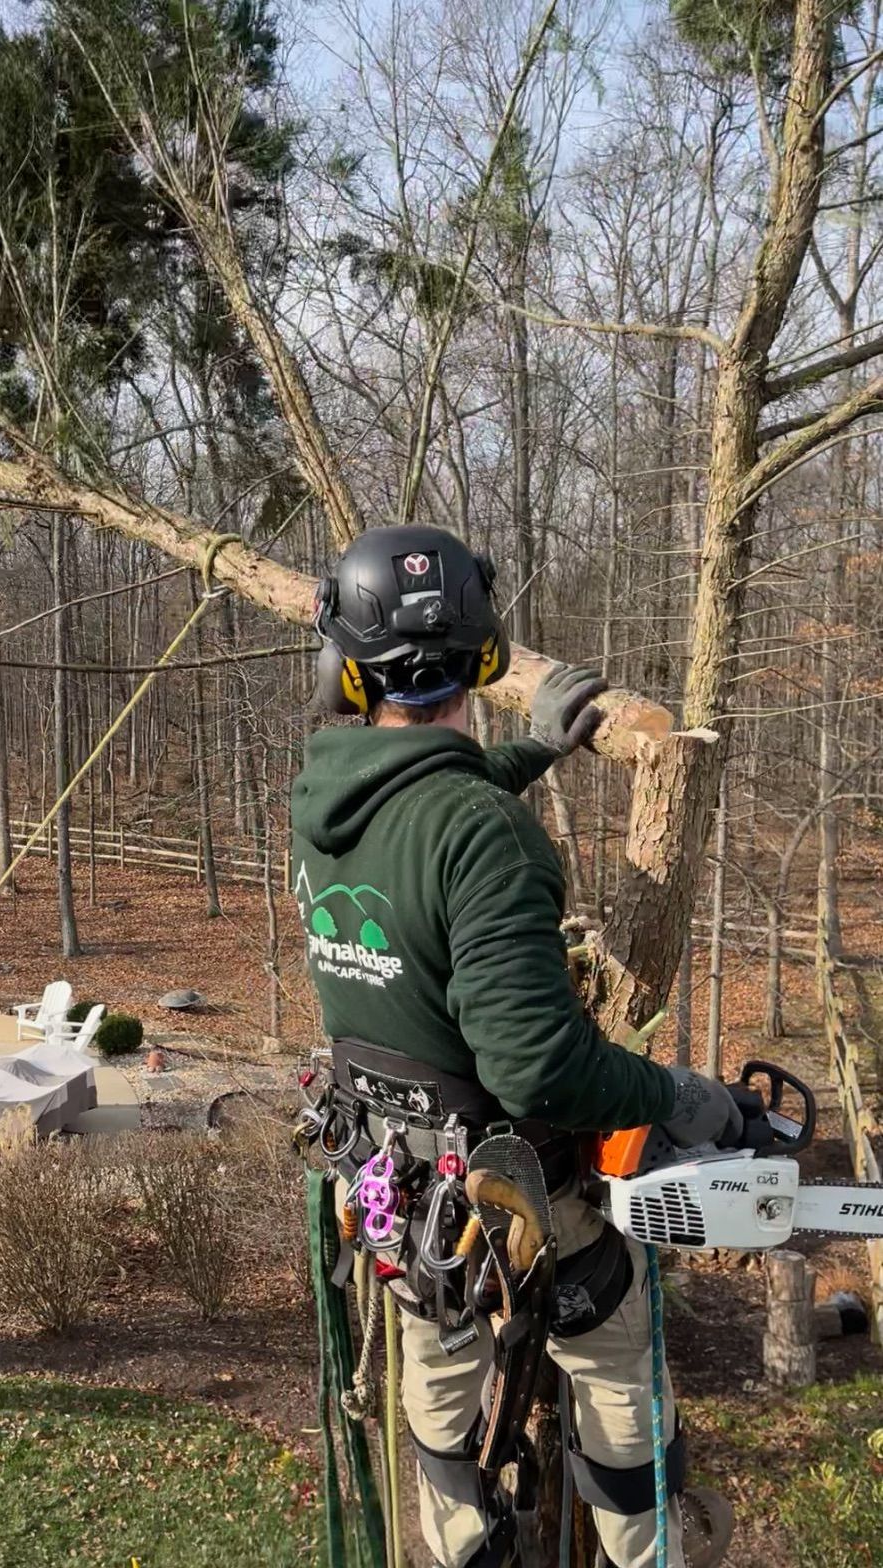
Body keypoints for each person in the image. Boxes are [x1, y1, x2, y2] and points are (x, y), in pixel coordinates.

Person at [294, 525, 741, 1568]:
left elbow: (425, 821)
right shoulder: (485, 834)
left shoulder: (321, 806)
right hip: (512, 1195)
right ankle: (648, 1544)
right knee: (617, 1358)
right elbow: (538, 1066)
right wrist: (674, 1093)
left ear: (346, 672)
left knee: (436, 1368)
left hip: (396, 1188)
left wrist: (531, 752)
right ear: (487, 658)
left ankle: (461, 1541)